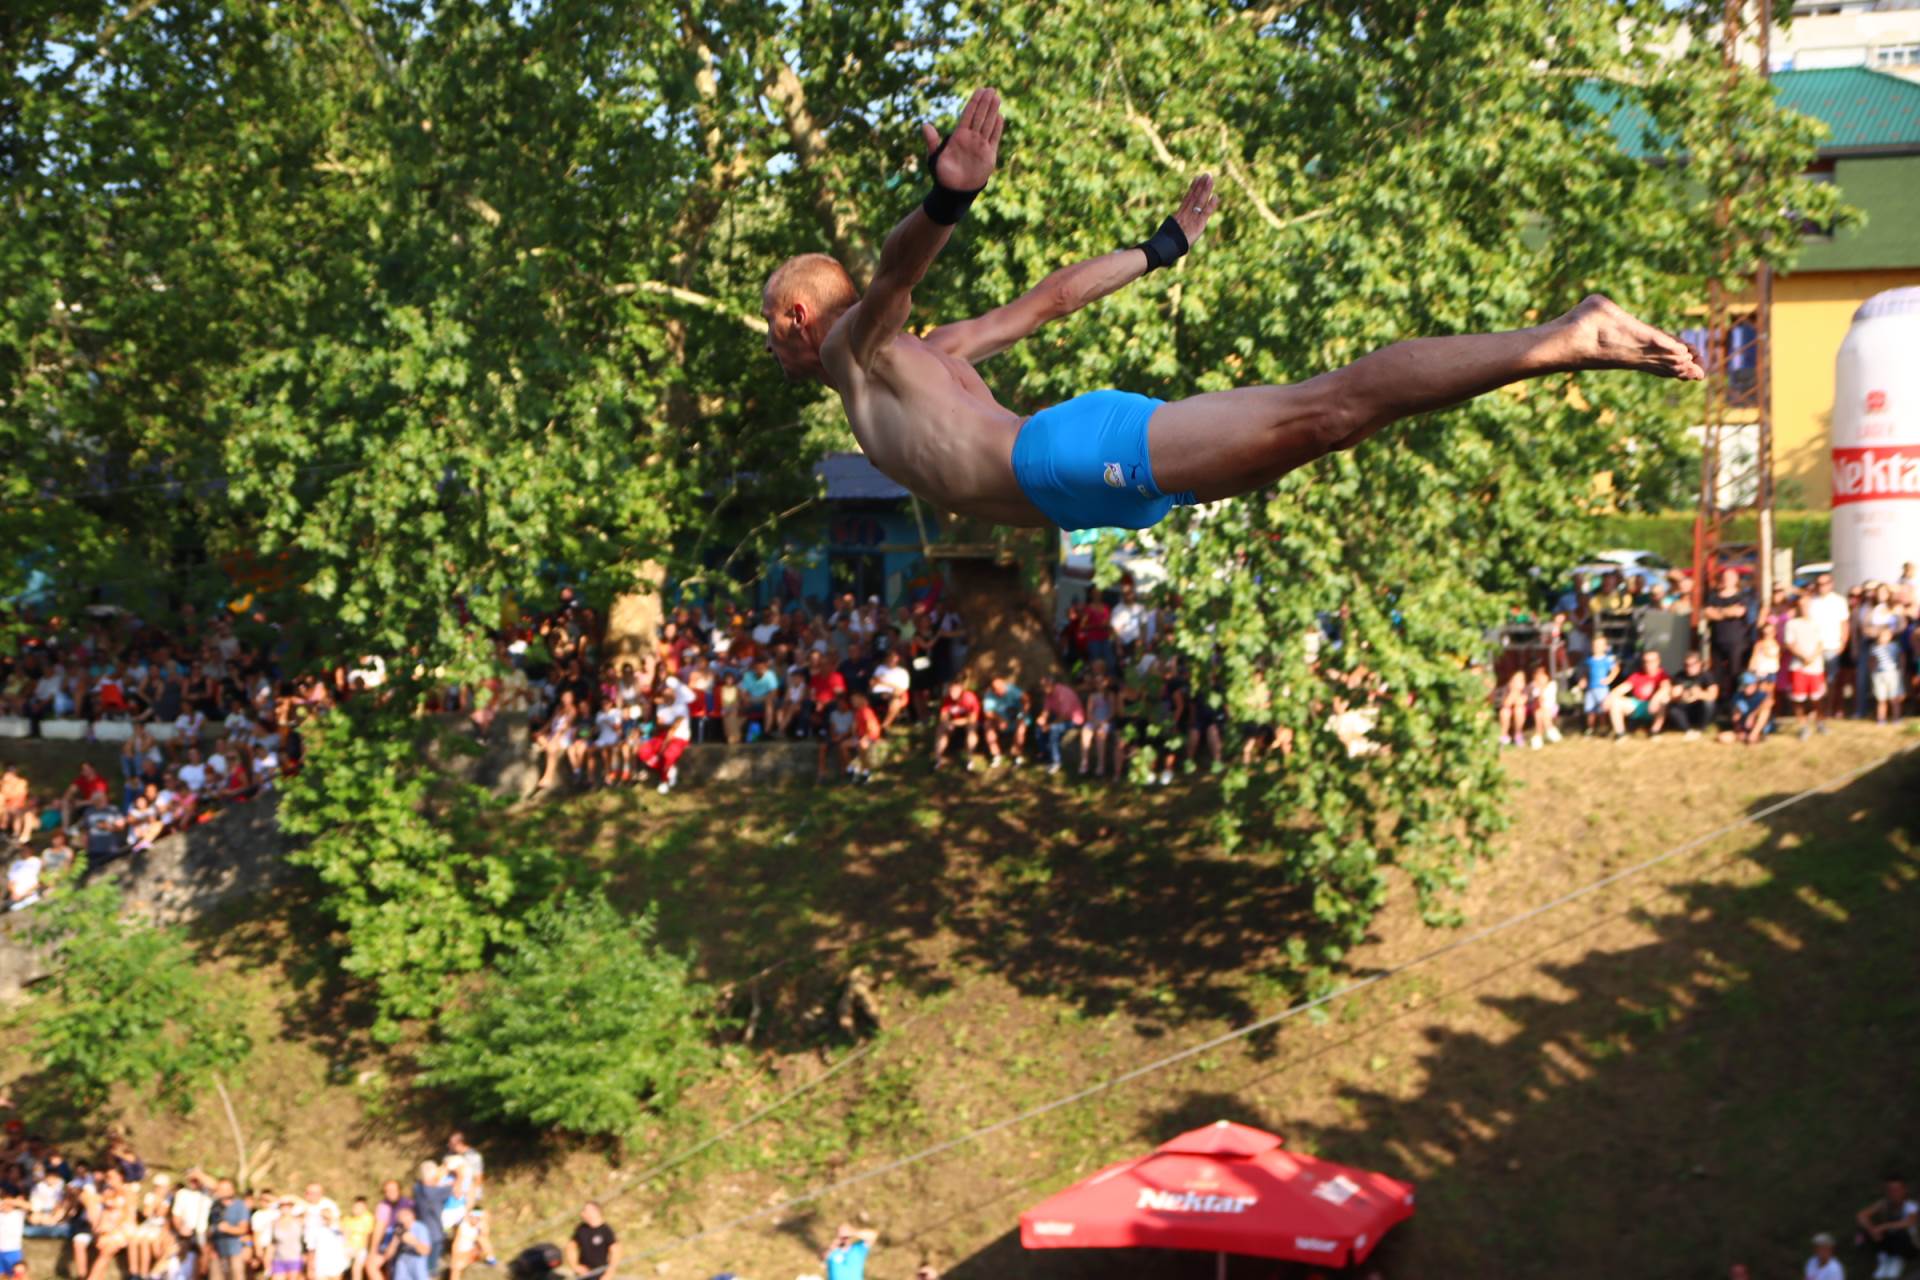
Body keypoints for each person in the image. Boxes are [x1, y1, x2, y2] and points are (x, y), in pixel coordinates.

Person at [761, 89, 1702, 535]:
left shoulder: (856, 348)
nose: (774, 345)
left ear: (803, 319)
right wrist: (1158, 250)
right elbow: (1048, 303)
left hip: (1067, 459)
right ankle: (1563, 340)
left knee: (1330, 409)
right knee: (1327, 423)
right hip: (1083, 477)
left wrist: (946, 203)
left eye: (772, 326)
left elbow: (890, 279)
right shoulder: (929, 354)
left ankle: (1571, 336)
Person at [1785, 593, 1829, 740]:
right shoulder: (1792, 624)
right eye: (1801, 605)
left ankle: (1820, 721)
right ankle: (1803, 726)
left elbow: (1821, 643)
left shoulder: (1818, 623)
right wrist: (1803, 656)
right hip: (1798, 667)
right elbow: (1790, 643)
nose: (1804, 608)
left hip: (1815, 666)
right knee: (1798, 699)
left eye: (1806, 605)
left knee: (1817, 697)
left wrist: (1812, 657)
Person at [1857, 1176, 1918, 1280]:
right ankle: (1884, 1258)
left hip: (1908, 1245)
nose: (1894, 1193)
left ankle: (1897, 1260)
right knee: (1863, 1234)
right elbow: (1861, 1215)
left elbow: (1909, 1223)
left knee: (1899, 1232)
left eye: (1897, 1190)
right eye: (1891, 1190)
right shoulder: (1884, 1204)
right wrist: (1872, 1229)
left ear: (1904, 1191)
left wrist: (1883, 1227)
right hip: (1890, 1241)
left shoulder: (1911, 1206)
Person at [1606, 649, 1671, 740]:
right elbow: (1622, 688)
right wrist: (1609, 698)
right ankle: (1620, 734)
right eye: (1645, 661)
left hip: (1654, 707)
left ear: (1658, 661)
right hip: (1637, 705)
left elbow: (1666, 688)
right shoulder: (1637, 675)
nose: (1648, 664)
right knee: (1615, 701)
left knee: (1664, 698)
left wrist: (1655, 699)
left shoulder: (1662, 675)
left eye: (1652, 661)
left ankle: (1654, 732)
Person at [1668, 651, 1719, 739]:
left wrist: (1699, 694)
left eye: (1693, 664)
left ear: (1699, 664)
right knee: (1672, 708)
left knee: (1709, 704)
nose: (1689, 667)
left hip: (1700, 708)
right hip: (1686, 708)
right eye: (1686, 664)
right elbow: (1673, 696)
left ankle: (1701, 729)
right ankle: (1687, 730)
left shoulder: (1706, 675)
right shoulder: (1679, 676)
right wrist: (1679, 695)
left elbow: (1713, 695)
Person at [208, 1179, 250, 1280]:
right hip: (217, 1251)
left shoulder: (240, 1205)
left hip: (235, 1251)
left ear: (233, 1190)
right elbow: (210, 1228)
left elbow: (244, 1229)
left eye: (227, 1188)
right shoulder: (215, 1205)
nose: (224, 1191)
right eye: (221, 1189)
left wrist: (228, 1229)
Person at [565, 1203, 617, 1280]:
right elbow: (570, 1246)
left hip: (600, 1273)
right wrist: (575, 1266)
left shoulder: (606, 1230)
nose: (582, 1213)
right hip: (583, 1273)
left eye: (585, 1211)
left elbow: (615, 1252)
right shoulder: (581, 1228)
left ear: (595, 1212)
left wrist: (609, 1273)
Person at [1578, 634, 1617, 735]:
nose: (1597, 648)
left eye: (1599, 645)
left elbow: (1615, 669)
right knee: (1590, 710)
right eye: (1595, 645)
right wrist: (1583, 680)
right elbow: (1585, 672)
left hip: (1602, 688)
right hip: (1590, 688)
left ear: (1605, 647)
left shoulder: (1607, 659)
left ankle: (1603, 727)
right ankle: (1590, 728)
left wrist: (1609, 679)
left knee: (1602, 709)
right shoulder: (1589, 660)